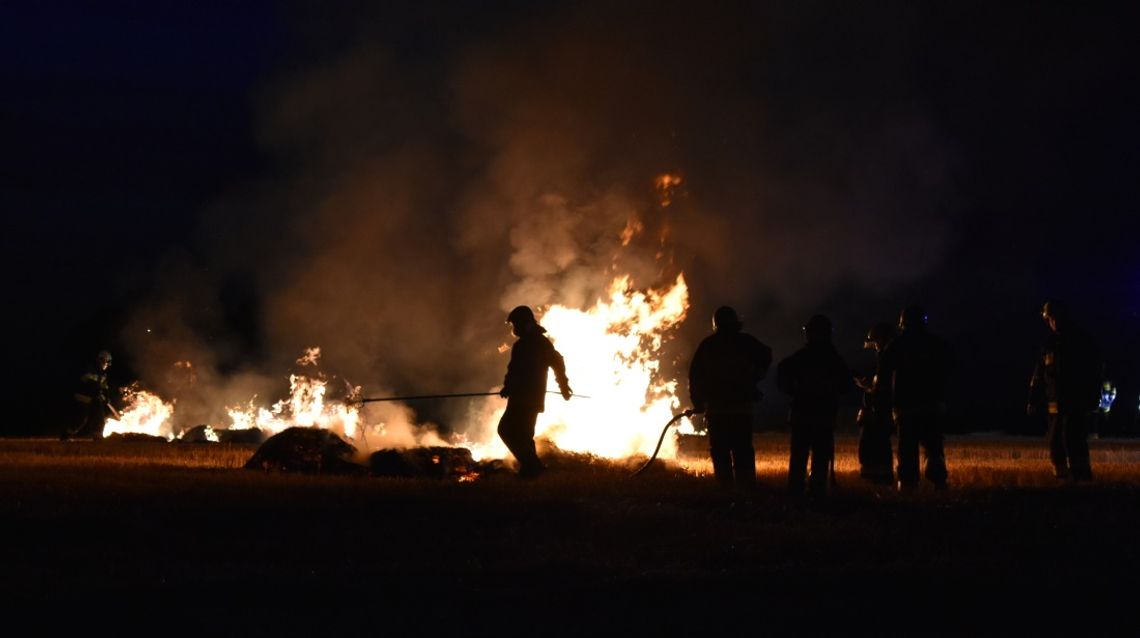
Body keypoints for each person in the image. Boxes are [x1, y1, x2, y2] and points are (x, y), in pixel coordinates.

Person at [688, 306, 773, 492]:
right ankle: (746, 488)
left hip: (717, 410)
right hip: (741, 409)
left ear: (716, 324)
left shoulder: (708, 345)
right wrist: (756, 376)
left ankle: (725, 488)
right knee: (743, 449)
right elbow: (767, 355)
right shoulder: (746, 342)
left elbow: (695, 377)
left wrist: (698, 403)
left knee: (720, 451)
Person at [876, 305, 953, 491]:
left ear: (902, 323)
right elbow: (950, 371)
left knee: (907, 448)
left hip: (905, 407)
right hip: (931, 405)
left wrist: (882, 402)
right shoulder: (937, 344)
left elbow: (883, 374)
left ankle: (908, 485)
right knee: (934, 447)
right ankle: (938, 482)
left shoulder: (896, 346)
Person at [776, 315, 854, 497]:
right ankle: (816, 491)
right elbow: (846, 385)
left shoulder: (801, 357)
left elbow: (783, 372)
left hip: (802, 415)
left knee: (799, 456)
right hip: (824, 416)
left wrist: (793, 391)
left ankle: (796, 490)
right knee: (820, 456)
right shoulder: (834, 359)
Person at [1027, 300, 1102, 484]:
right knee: (1056, 444)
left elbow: (1093, 373)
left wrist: (1093, 398)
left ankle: (1081, 478)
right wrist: (1032, 400)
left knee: (1074, 441)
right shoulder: (1048, 346)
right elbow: (1038, 376)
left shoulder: (1081, 341)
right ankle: (1061, 478)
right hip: (1055, 408)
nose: (1052, 322)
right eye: (1049, 319)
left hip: (1075, 405)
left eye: (1053, 318)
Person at [498, 305, 573, 479]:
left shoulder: (539, 343)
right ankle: (530, 472)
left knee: (506, 430)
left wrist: (563, 385)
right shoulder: (522, 344)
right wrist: (508, 387)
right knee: (524, 435)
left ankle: (533, 466)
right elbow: (514, 370)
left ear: (527, 323)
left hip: (527, 399)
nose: (514, 328)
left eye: (516, 324)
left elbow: (557, 362)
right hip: (523, 397)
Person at [853, 321, 897, 485]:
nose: (875, 347)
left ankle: (879, 480)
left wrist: (869, 388)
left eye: (877, 343)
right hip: (878, 411)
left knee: (875, 446)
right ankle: (876, 480)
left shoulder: (889, 359)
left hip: (880, 412)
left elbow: (886, 388)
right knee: (874, 446)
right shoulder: (885, 358)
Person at [62, 350, 118, 441]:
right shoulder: (90, 369)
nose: (107, 365)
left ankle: (97, 436)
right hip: (83, 398)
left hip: (95, 399)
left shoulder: (103, 374)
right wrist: (94, 389)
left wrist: (107, 397)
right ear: (102, 360)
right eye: (107, 362)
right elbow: (87, 381)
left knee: (99, 416)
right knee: (80, 419)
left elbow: (104, 387)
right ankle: (66, 435)